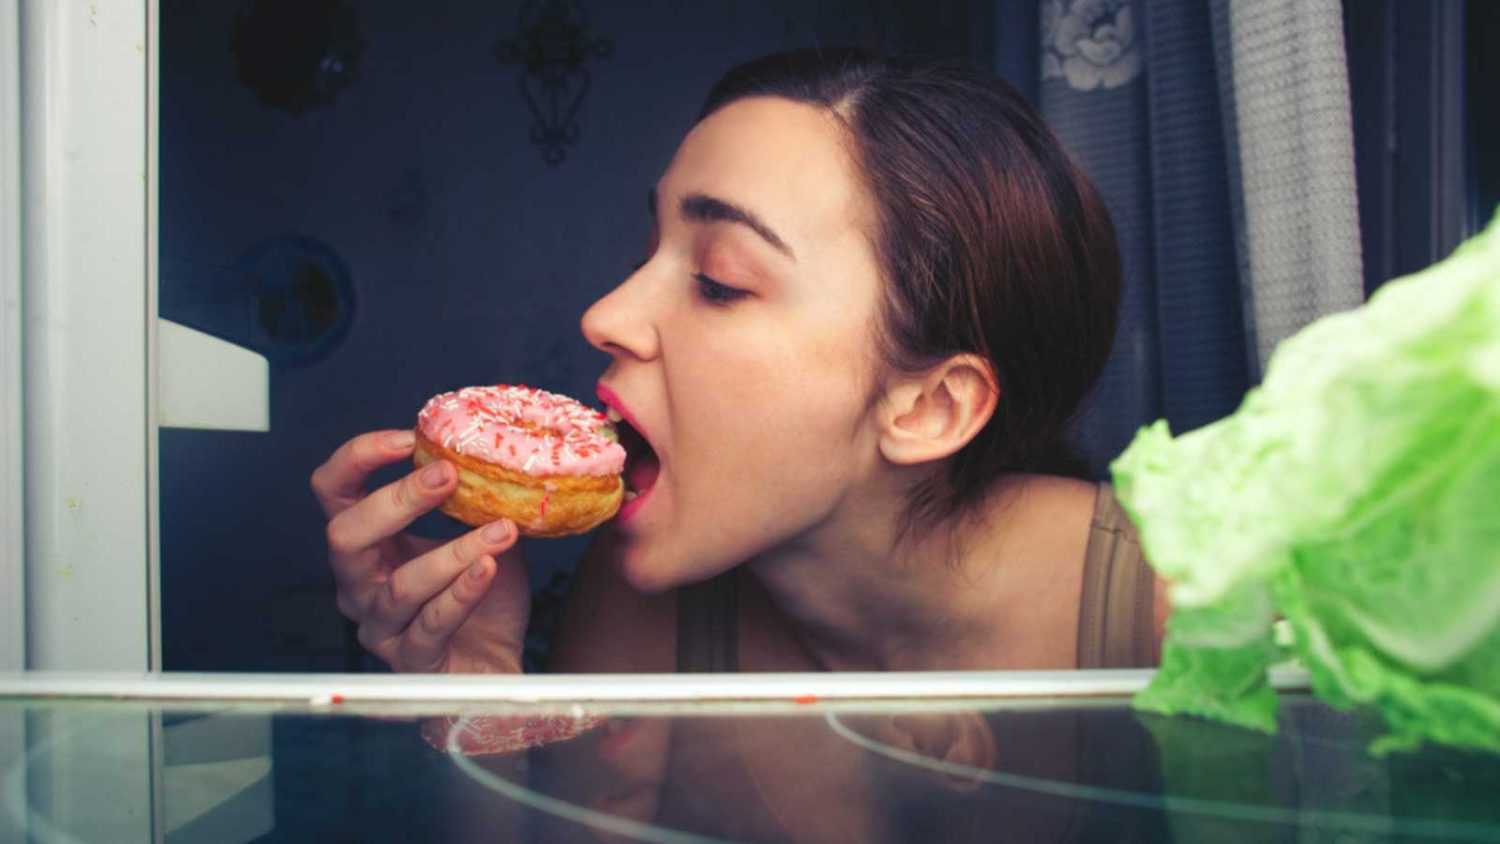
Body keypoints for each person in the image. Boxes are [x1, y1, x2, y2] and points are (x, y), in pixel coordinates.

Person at [312, 44, 1167, 701]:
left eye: (720, 281)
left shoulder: (1186, 606)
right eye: (648, 250)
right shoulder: (642, 588)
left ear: (931, 407)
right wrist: (479, 688)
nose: (603, 315)